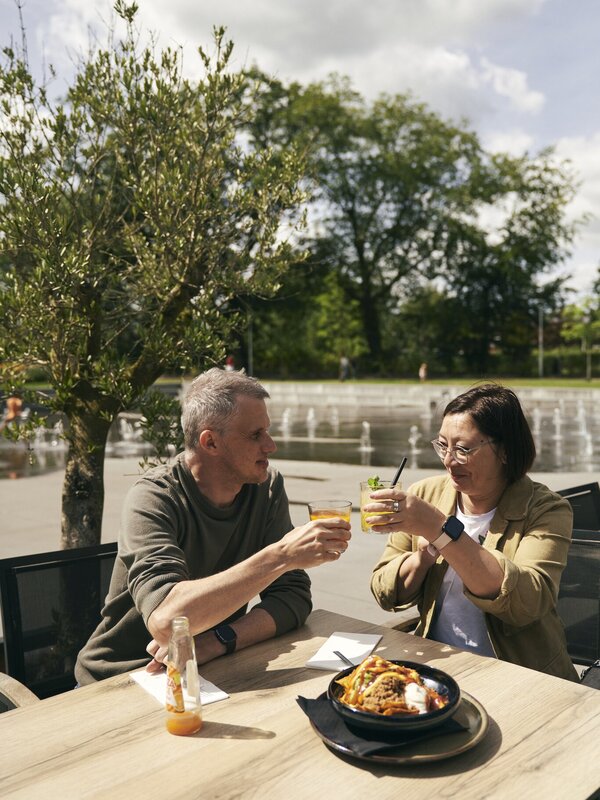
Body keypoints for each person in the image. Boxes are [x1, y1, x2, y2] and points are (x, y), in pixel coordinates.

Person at [75, 368, 351, 684]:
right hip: (123, 677)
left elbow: (293, 598)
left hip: (207, 671)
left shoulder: (266, 488)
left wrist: (218, 640)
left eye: (268, 431)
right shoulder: (153, 498)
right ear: (211, 442)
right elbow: (166, 622)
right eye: (255, 434)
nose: (270, 445)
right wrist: (280, 556)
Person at [368, 383, 578, 681]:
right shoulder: (424, 494)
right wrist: (422, 558)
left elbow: (528, 603)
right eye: (443, 445)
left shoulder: (546, 509)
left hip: (522, 676)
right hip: (437, 667)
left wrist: (438, 528)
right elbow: (383, 591)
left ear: (504, 451)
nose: (448, 461)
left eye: (463, 449)